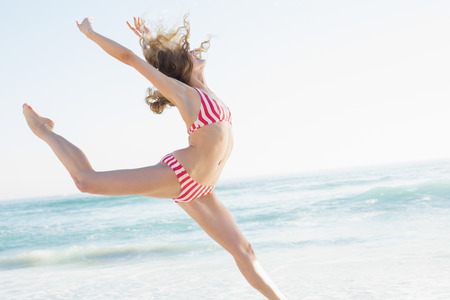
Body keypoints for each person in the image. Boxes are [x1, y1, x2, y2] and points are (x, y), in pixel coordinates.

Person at [22, 15, 286, 300]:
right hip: (181, 174)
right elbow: (129, 58)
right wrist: (91, 34)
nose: (194, 51)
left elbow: (170, 63)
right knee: (86, 182)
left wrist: (151, 38)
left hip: (202, 189)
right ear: (181, 66)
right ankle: (44, 131)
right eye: (187, 52)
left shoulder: (205, 89)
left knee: (244, 251)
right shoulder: (184, 94)